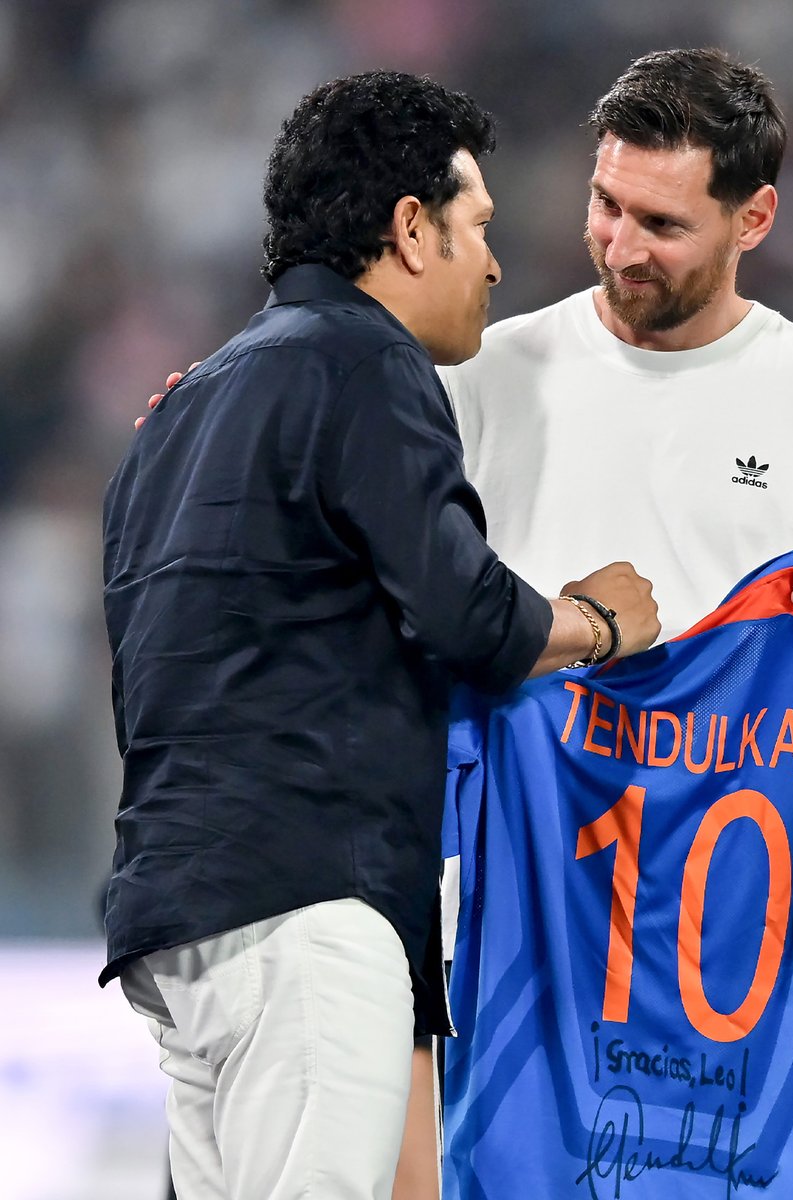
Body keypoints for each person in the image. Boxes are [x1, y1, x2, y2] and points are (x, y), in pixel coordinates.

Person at [100, 70, 661, 1200]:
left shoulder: (178, 411)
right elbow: (467, 615)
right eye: (478, 227)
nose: (496, 265)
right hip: (307, 903)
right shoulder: (368, 363)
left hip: (178, 915)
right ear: (412, 230)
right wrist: (599, 625)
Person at [435, 45, 793, 1197]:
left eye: (662, 223)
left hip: (740, 934)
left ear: (754, 218)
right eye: (607, 204)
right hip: (536, 922)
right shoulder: (488, 378)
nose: (618, 244)